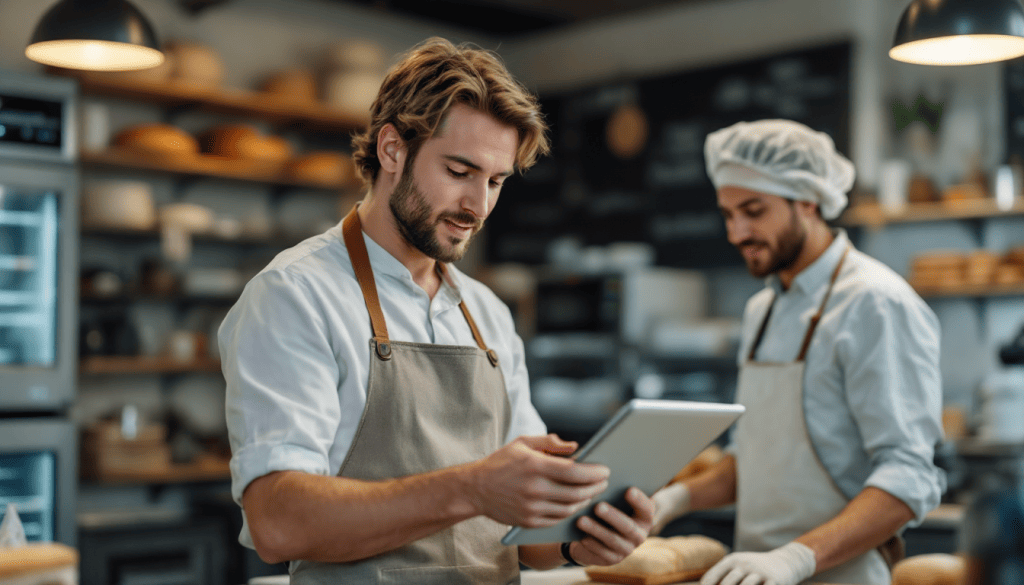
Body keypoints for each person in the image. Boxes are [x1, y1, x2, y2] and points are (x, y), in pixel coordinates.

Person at [219, 37, 654, 584]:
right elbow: (279, 524)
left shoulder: (488, 314)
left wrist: (578, 542)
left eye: (495, 181)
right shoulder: (295, 295)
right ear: (392, 150)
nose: (478, 206)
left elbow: (523, 538)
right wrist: (470, 487)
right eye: (459, 171)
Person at [650, 120, 946, 585]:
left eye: (753, 210)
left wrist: (794, 558)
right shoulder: (762, 309)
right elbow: (756, 457)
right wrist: (670, 501)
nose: (736, 232)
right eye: (728, 214)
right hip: (754, 575)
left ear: (807, 201)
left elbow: (908, 478)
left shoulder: (875, 303)